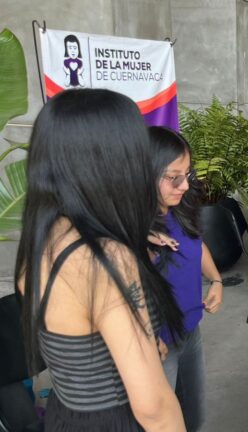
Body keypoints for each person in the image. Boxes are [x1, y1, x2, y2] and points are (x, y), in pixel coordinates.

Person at [15, 88, 185, 431]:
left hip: (65, 416)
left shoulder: (40, 239)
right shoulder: (103, 258)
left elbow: (81, 354)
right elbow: (152, 407)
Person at [148, 126, 223, 432]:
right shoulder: (130, 229)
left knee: (193, 419)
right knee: (162, 423)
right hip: (158, 342)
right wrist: (146, 335)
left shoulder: (179, 208)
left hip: (191, 329)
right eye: (172, 177)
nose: (182, 185)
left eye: (187, 174)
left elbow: (196, 243)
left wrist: (216, 280)